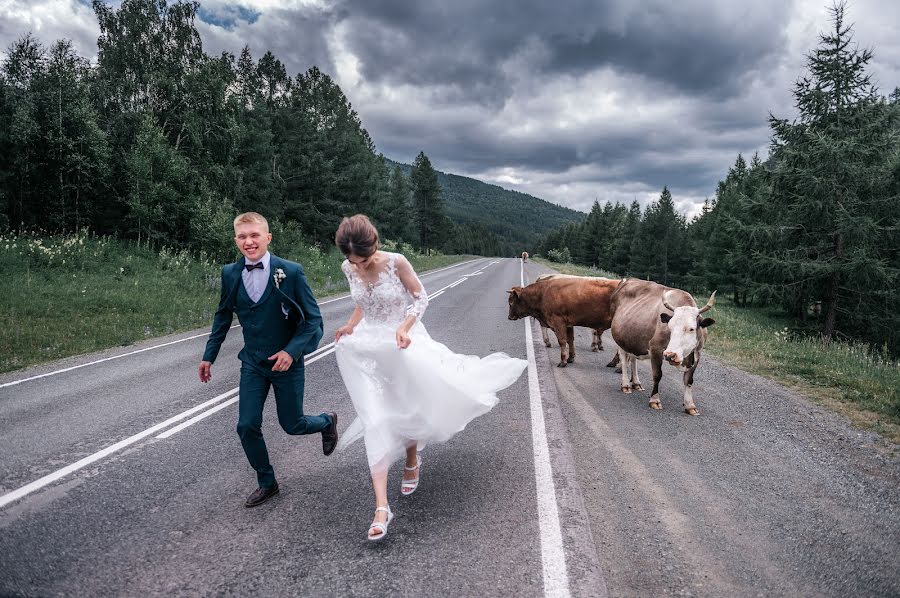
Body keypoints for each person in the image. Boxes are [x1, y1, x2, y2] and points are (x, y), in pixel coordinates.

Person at [332, 214, 527, 541]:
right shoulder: (348, 267)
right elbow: (363, 304)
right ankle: (382, 508)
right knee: (376, 417)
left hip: (403, 342)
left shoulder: (397, 262)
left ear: (375, 246)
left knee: (410, 405)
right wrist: (351, 325)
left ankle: (411, 457)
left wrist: (404, 328)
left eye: (364, 260)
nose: (360, 267)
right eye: (354, 261)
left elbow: (420, 298)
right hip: (370, 347)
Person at [199, 212, 338, 508]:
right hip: (253, 363)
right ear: (236, 240)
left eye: (254, 235)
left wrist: (291, 351)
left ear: (268, 237)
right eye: (242, 236)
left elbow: (313, 322)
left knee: (293, 425)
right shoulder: (230, 274)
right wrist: (208, 356)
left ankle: (327, 422)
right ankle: (267, 481)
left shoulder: (291, 272)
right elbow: (223, 315)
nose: (249, 241)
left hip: (286, 362)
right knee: (246, 425)